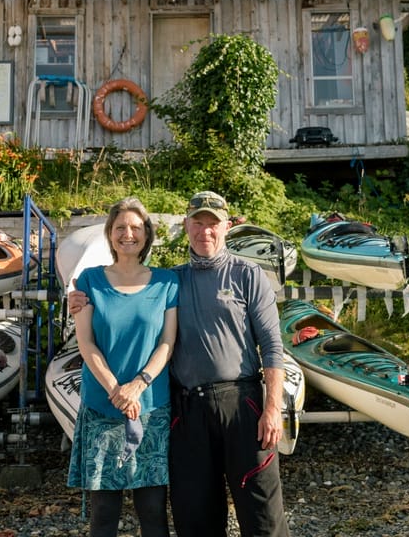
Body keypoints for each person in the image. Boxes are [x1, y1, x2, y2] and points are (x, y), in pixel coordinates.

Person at [71, 190, 290, 537]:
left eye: (213, 224)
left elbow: (273, 346)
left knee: (261, 511)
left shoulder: (248, 275)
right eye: (198, 223)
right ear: (186, 226)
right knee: (195, 514)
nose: (205, 231)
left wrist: (273, 407)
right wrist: (77, 300)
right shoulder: (171, 279)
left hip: (241, 402)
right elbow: (125, 311)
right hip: (188, 410)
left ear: (227, 227)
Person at [68, 197, 179, 537]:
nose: (127, 234)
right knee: (103, 514)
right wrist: (116, 389)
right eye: (120, 228)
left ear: (147, 234)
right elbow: (86, 343)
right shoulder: (89, 281)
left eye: (135, 227)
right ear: (110, 234)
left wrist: (138, 385)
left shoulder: (167, 282)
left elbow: (167, 343)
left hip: (150, 407)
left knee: (153, 511)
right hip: (104, 407)